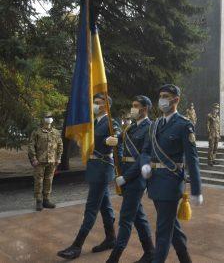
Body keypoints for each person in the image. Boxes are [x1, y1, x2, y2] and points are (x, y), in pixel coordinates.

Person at [140, 84, 203, 263]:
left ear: (176, 99)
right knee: (171, 225)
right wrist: (144, 165)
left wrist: (197, 190)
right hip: (154, 182)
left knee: (163, 231)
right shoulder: (154, 125)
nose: (162, 100)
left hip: (171, 183)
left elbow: (192, 159)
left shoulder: (184, 125)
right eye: (160, 96)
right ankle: (185, 259)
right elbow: (145, 151)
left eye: (166, 96)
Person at [57, 93, 121, 259]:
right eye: (94, 102)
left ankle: (77, 246)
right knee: (105, 206)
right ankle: (111, 238)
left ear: (105, 106)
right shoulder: (93, 123)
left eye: (98, 103)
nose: (94, 105)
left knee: (91, 208)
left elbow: (119, 136)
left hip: (102, 169)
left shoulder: (111, 122)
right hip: (94, 167)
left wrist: (114, 139)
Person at [106, 96, 154, 263]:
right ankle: (150, 252)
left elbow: (144, 159)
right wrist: (114, 139)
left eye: (135, 106)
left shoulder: (150, 128)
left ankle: (114, 257)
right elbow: (122, 139)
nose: (132, 109)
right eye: (132, 105)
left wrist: (125, 178)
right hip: (126, 175)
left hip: (136, 177)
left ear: (145, 109)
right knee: (138, 216)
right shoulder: (131, 128)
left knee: (125, 218)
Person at [28, 112, 63, 211]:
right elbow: (31, 146)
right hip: (39, 161)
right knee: (38, 181)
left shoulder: (56, 132)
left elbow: (60, 145)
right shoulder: (37, 132)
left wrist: (59, 158)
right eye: (47, 117)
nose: (49, 118)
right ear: (43, 119)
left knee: (49, 180)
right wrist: (33, 158)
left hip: (52, 161)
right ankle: (38, 201)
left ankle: (46, 200)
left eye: (50, 117)